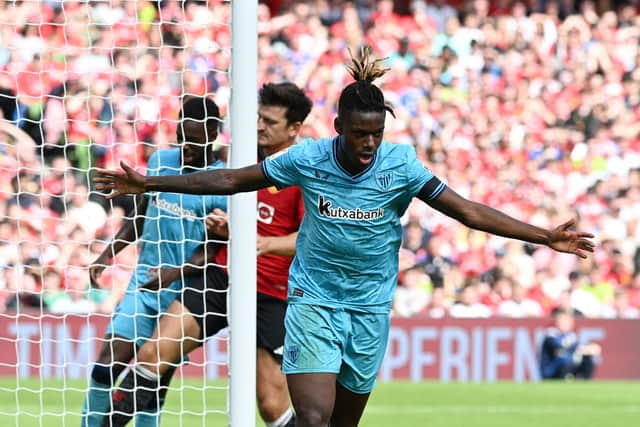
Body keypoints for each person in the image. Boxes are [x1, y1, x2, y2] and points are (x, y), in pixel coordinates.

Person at [95, 46, 595, 427]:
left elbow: (464, 210)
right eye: (360, 134)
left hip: (370, 310)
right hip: (312, 304)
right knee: (311, 418)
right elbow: (231, 179)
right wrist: (149, 182)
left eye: (376, 133)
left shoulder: (400, 165)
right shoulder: (306, 160)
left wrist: (543, 236)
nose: (369, 144)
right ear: (338, 127)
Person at [98, 82, 312, 427]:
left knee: (271, 405)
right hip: (222, 276)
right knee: (152, 355)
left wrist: (252, 239)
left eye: (270, 122)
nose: (259, 127)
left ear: (294, 128)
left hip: (271, 293)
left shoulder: (306, 172)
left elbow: (307, 240)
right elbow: (205, 180)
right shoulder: (241, 156)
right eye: (258, 118)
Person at [82, 97, 228, 427]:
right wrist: (106, 256)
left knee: (153, 386)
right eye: (181, 136)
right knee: (106, 364)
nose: (185, 147)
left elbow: (213, 250)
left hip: (182, 301)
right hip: (143, 287)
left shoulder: (222, 183)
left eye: (193, 140)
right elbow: (140, 215)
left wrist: (173, 274)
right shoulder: (162, 161)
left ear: (214, 133)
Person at [540, 307, 602, 380]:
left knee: (587, 358)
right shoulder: (551, 334)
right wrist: (582, 349)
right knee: (565, 359)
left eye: (568, 321)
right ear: (557, 322)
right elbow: (560, 345)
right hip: (551, 371)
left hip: (568, 366)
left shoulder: (571, 335)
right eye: (563, 321)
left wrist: (589, 349)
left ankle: (585, 383)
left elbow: (578, 346)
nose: (566, 324)